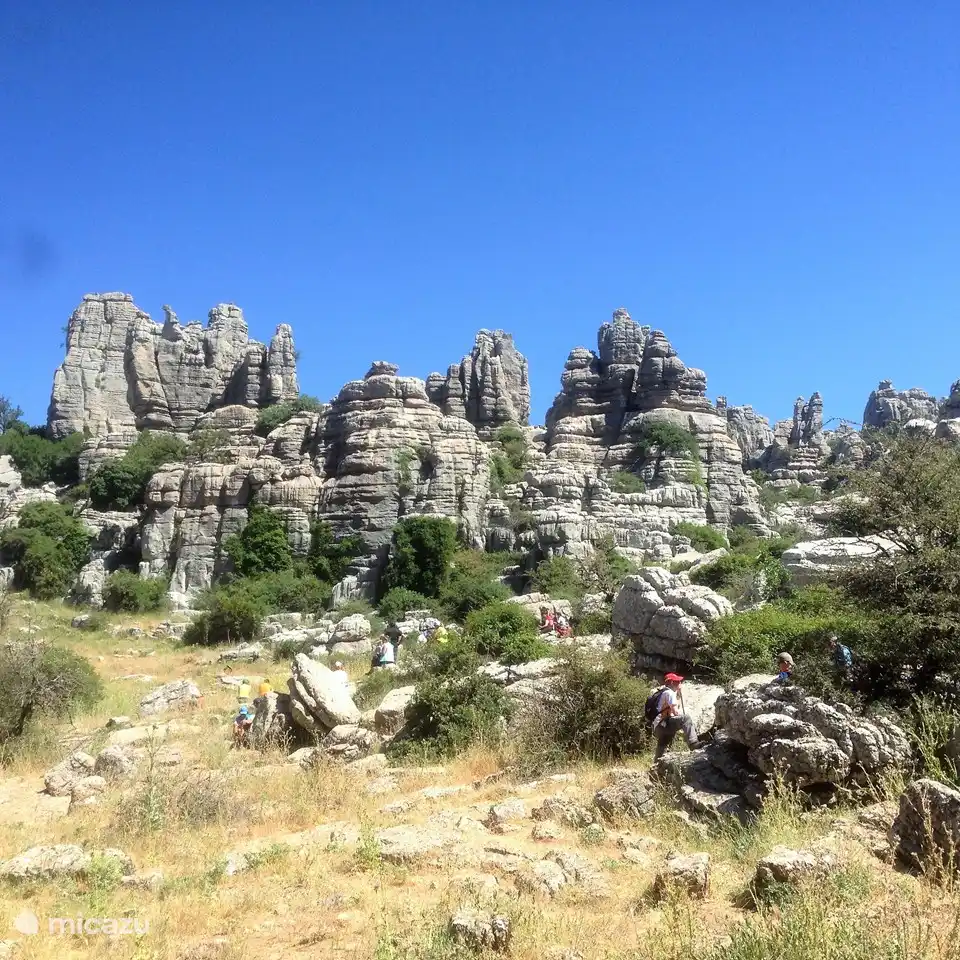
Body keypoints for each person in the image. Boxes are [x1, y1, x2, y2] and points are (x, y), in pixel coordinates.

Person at [653, 673, 700, 761]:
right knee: (686, 718)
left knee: (664, 742)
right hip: (664, 724)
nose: (680, 683)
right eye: (677, 681)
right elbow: (675, 712)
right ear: (671, 683)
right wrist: (684, 724)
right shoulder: (670, 693)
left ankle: (657, 764)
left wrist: (678, 693)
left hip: (658, 726)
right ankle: (694, 744)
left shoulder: (664, 692)